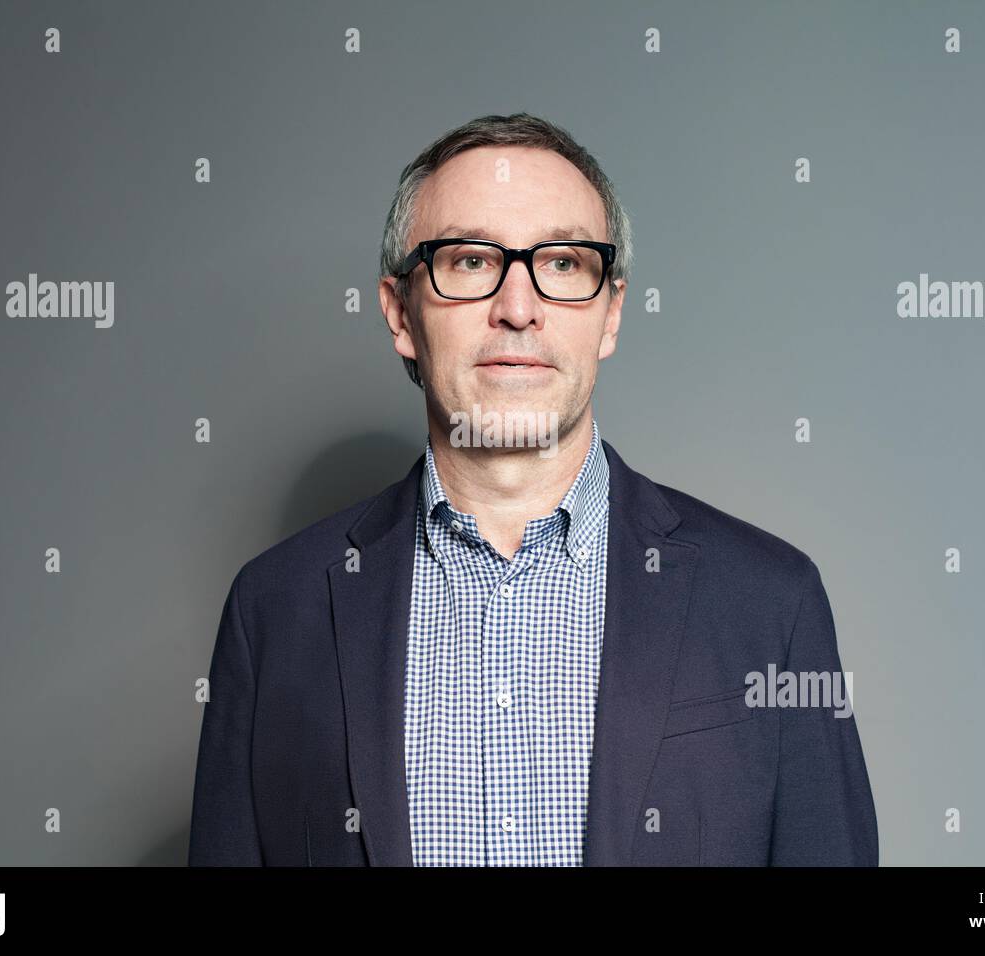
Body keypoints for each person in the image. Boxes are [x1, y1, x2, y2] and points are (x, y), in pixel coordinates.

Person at [188, 112, 878, 866]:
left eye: (563, 264)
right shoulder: (272, 613)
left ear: (611, 313)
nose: (518, 308)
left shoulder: (770, 602)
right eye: (471, 262)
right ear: (399, 314)